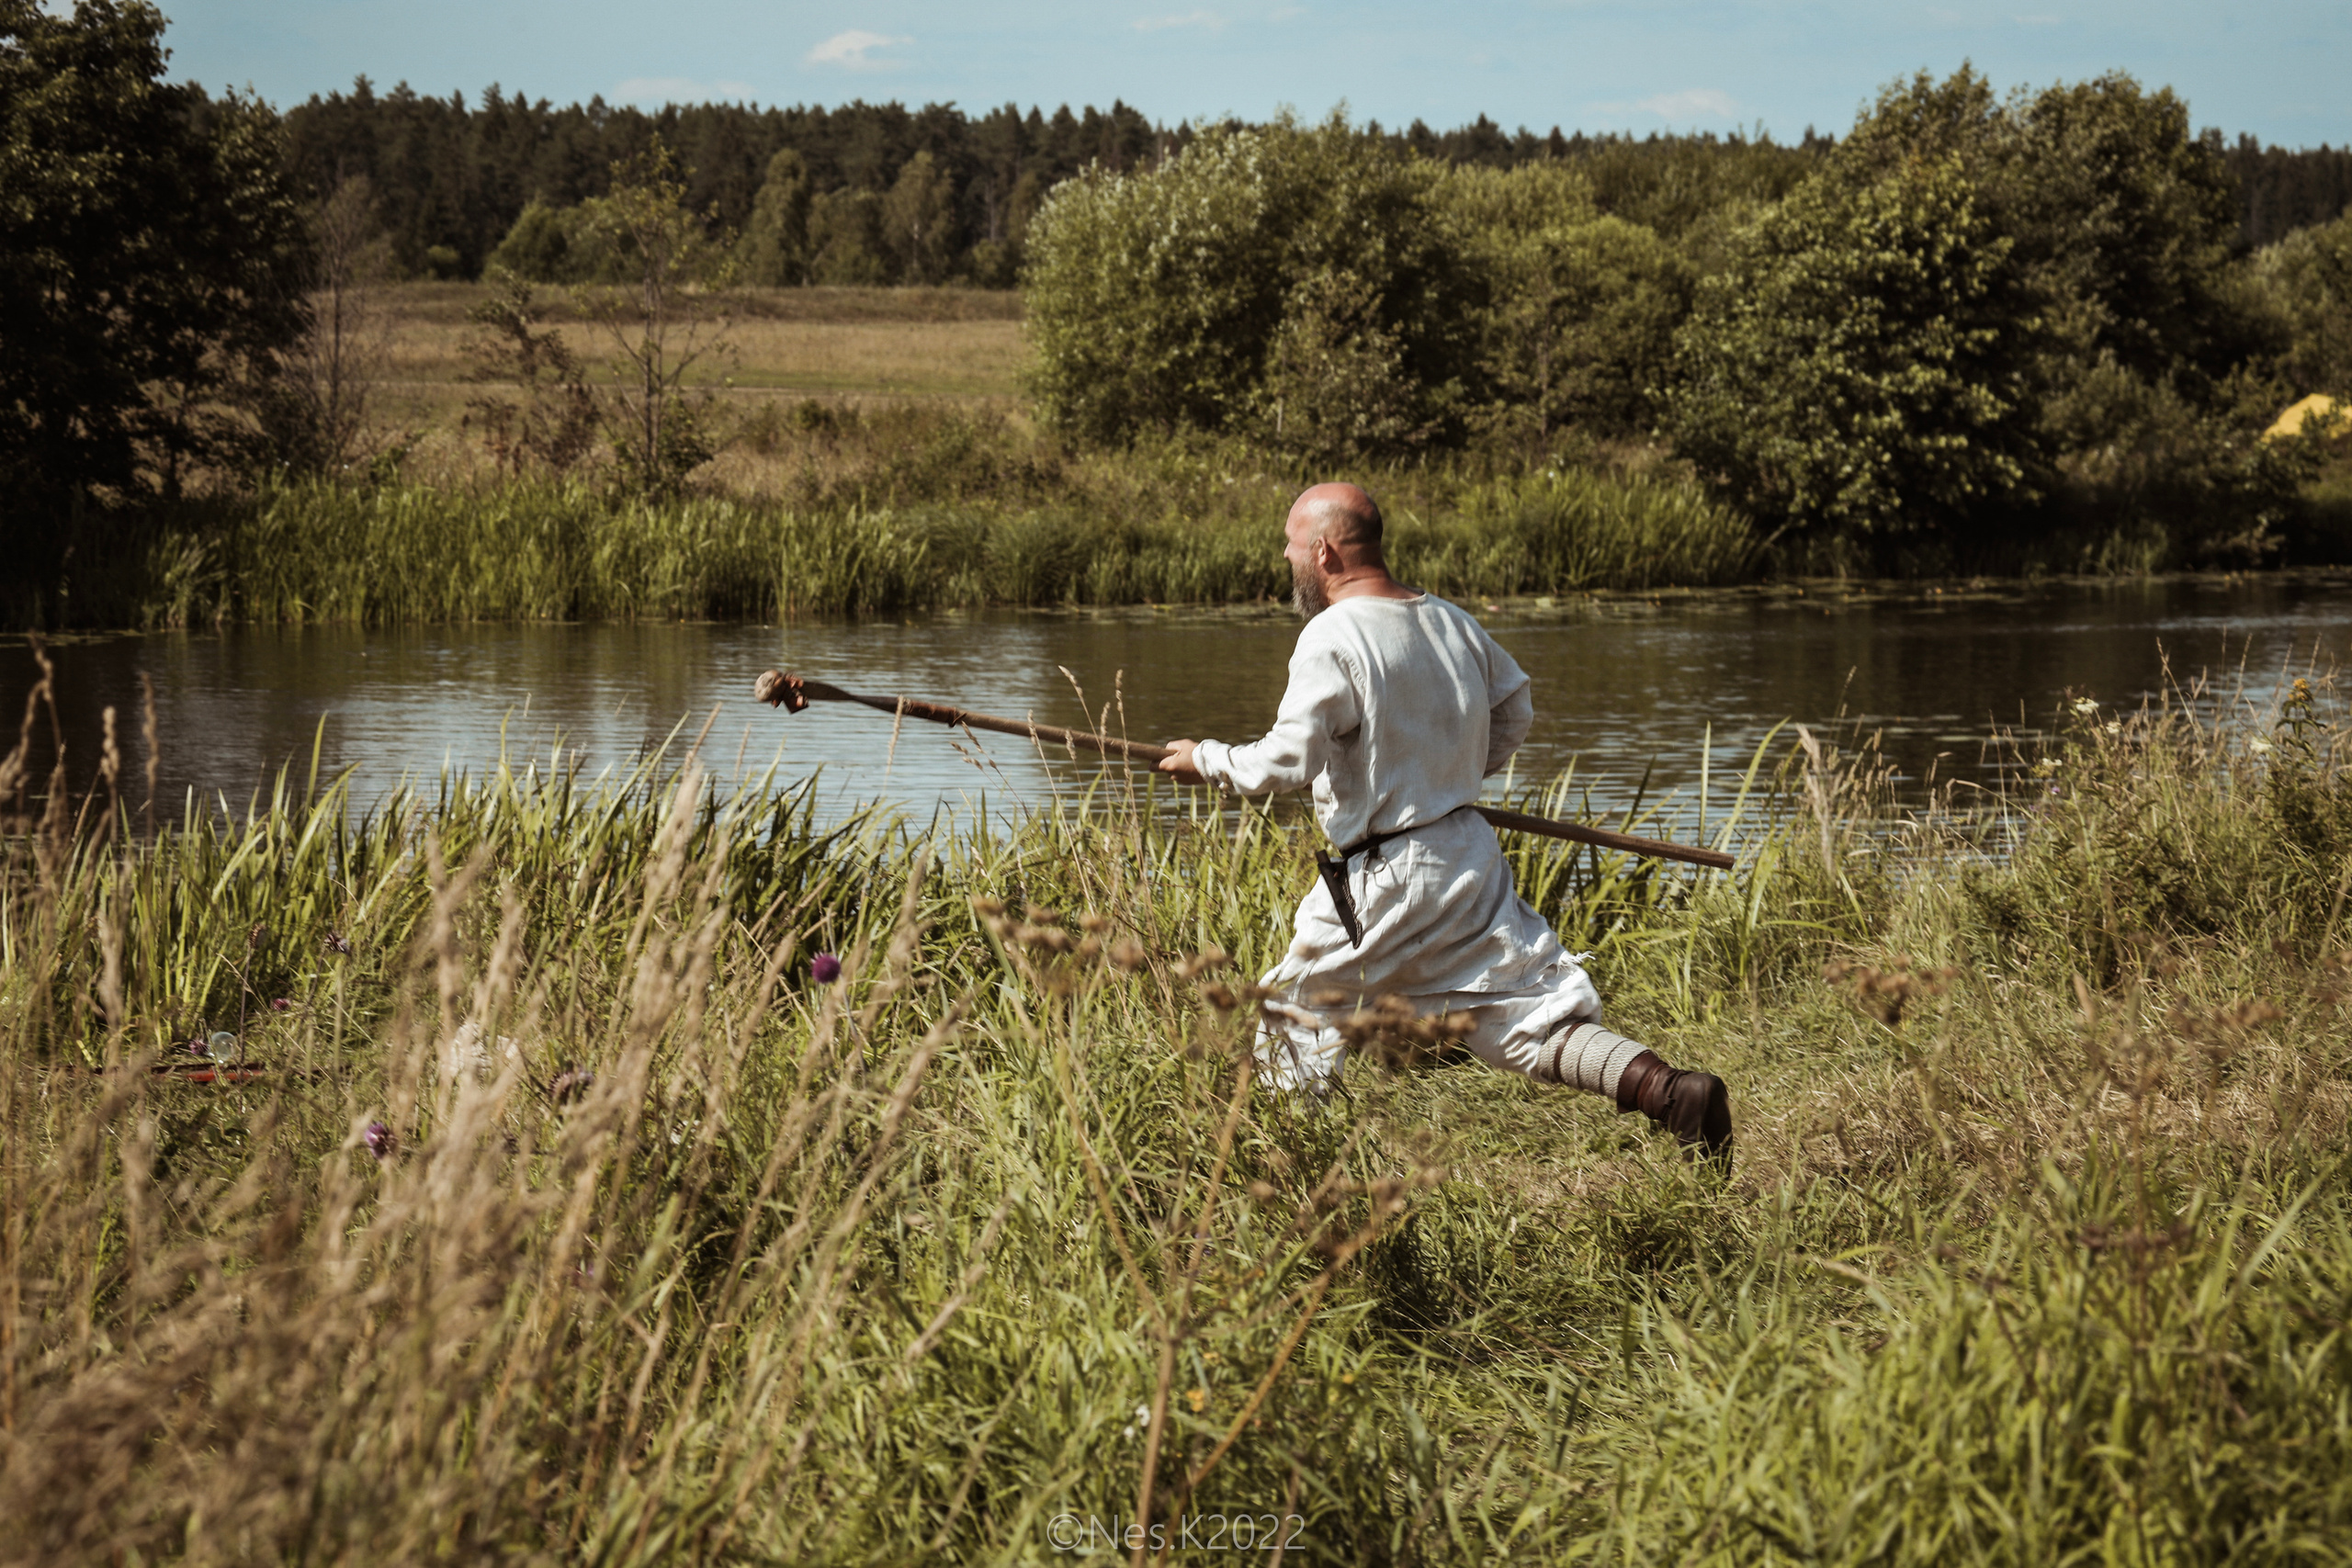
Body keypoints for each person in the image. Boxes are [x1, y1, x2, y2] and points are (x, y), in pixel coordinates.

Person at [1157, 483, 1734, 1163]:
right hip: (1466, 856)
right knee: (1516, 1015)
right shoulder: (1451, 620)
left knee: (1296, 1012)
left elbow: (1287, 759)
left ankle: (1282, 1179)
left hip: (1385, 873)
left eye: (1290, 545)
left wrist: (1208, 759)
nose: (1286, 557)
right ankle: (1670, 1091)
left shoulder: (1331, 635)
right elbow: (1514, 707)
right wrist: (1448, 779)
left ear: (1324, 551)